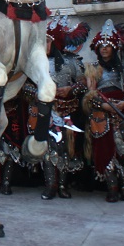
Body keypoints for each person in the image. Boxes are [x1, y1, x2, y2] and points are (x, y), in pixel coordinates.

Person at [83, 19, 124, 202]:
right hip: (102, 113)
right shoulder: (93, 69)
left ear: (114, 49)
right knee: (106, 150)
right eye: (101, 46)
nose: (104, 49)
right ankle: (112, 188)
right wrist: (104, 106)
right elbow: (90, 94)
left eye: (107, 46)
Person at [39, 16, 89, 200]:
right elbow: (25, 86)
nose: (43, 44)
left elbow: (83, 85)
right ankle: (50, 185)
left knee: (66, 149)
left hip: (68, 111)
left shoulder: (72, 62)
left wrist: (70, 90)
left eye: (47, 40)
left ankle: (63, 185)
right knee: (48, 148)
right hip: (45, 111)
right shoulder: (35, 62)